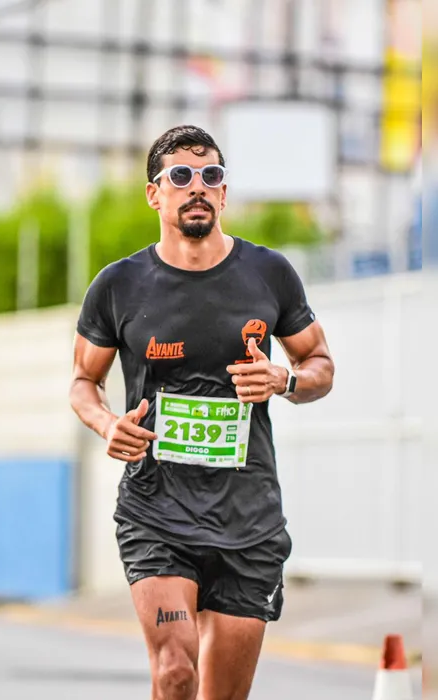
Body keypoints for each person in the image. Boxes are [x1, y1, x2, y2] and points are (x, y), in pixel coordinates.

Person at [70, 125, 335, 700]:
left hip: (248, 518)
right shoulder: (118, 285)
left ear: (224, 192)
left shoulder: (269, 274)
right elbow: (83, 383)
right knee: (175, 671)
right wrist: (107, 423)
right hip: (156, 511)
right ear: (154, 193)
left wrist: (285, 379)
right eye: (181, 175)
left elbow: (320, 364)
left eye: (210, 175)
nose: (198, 187)